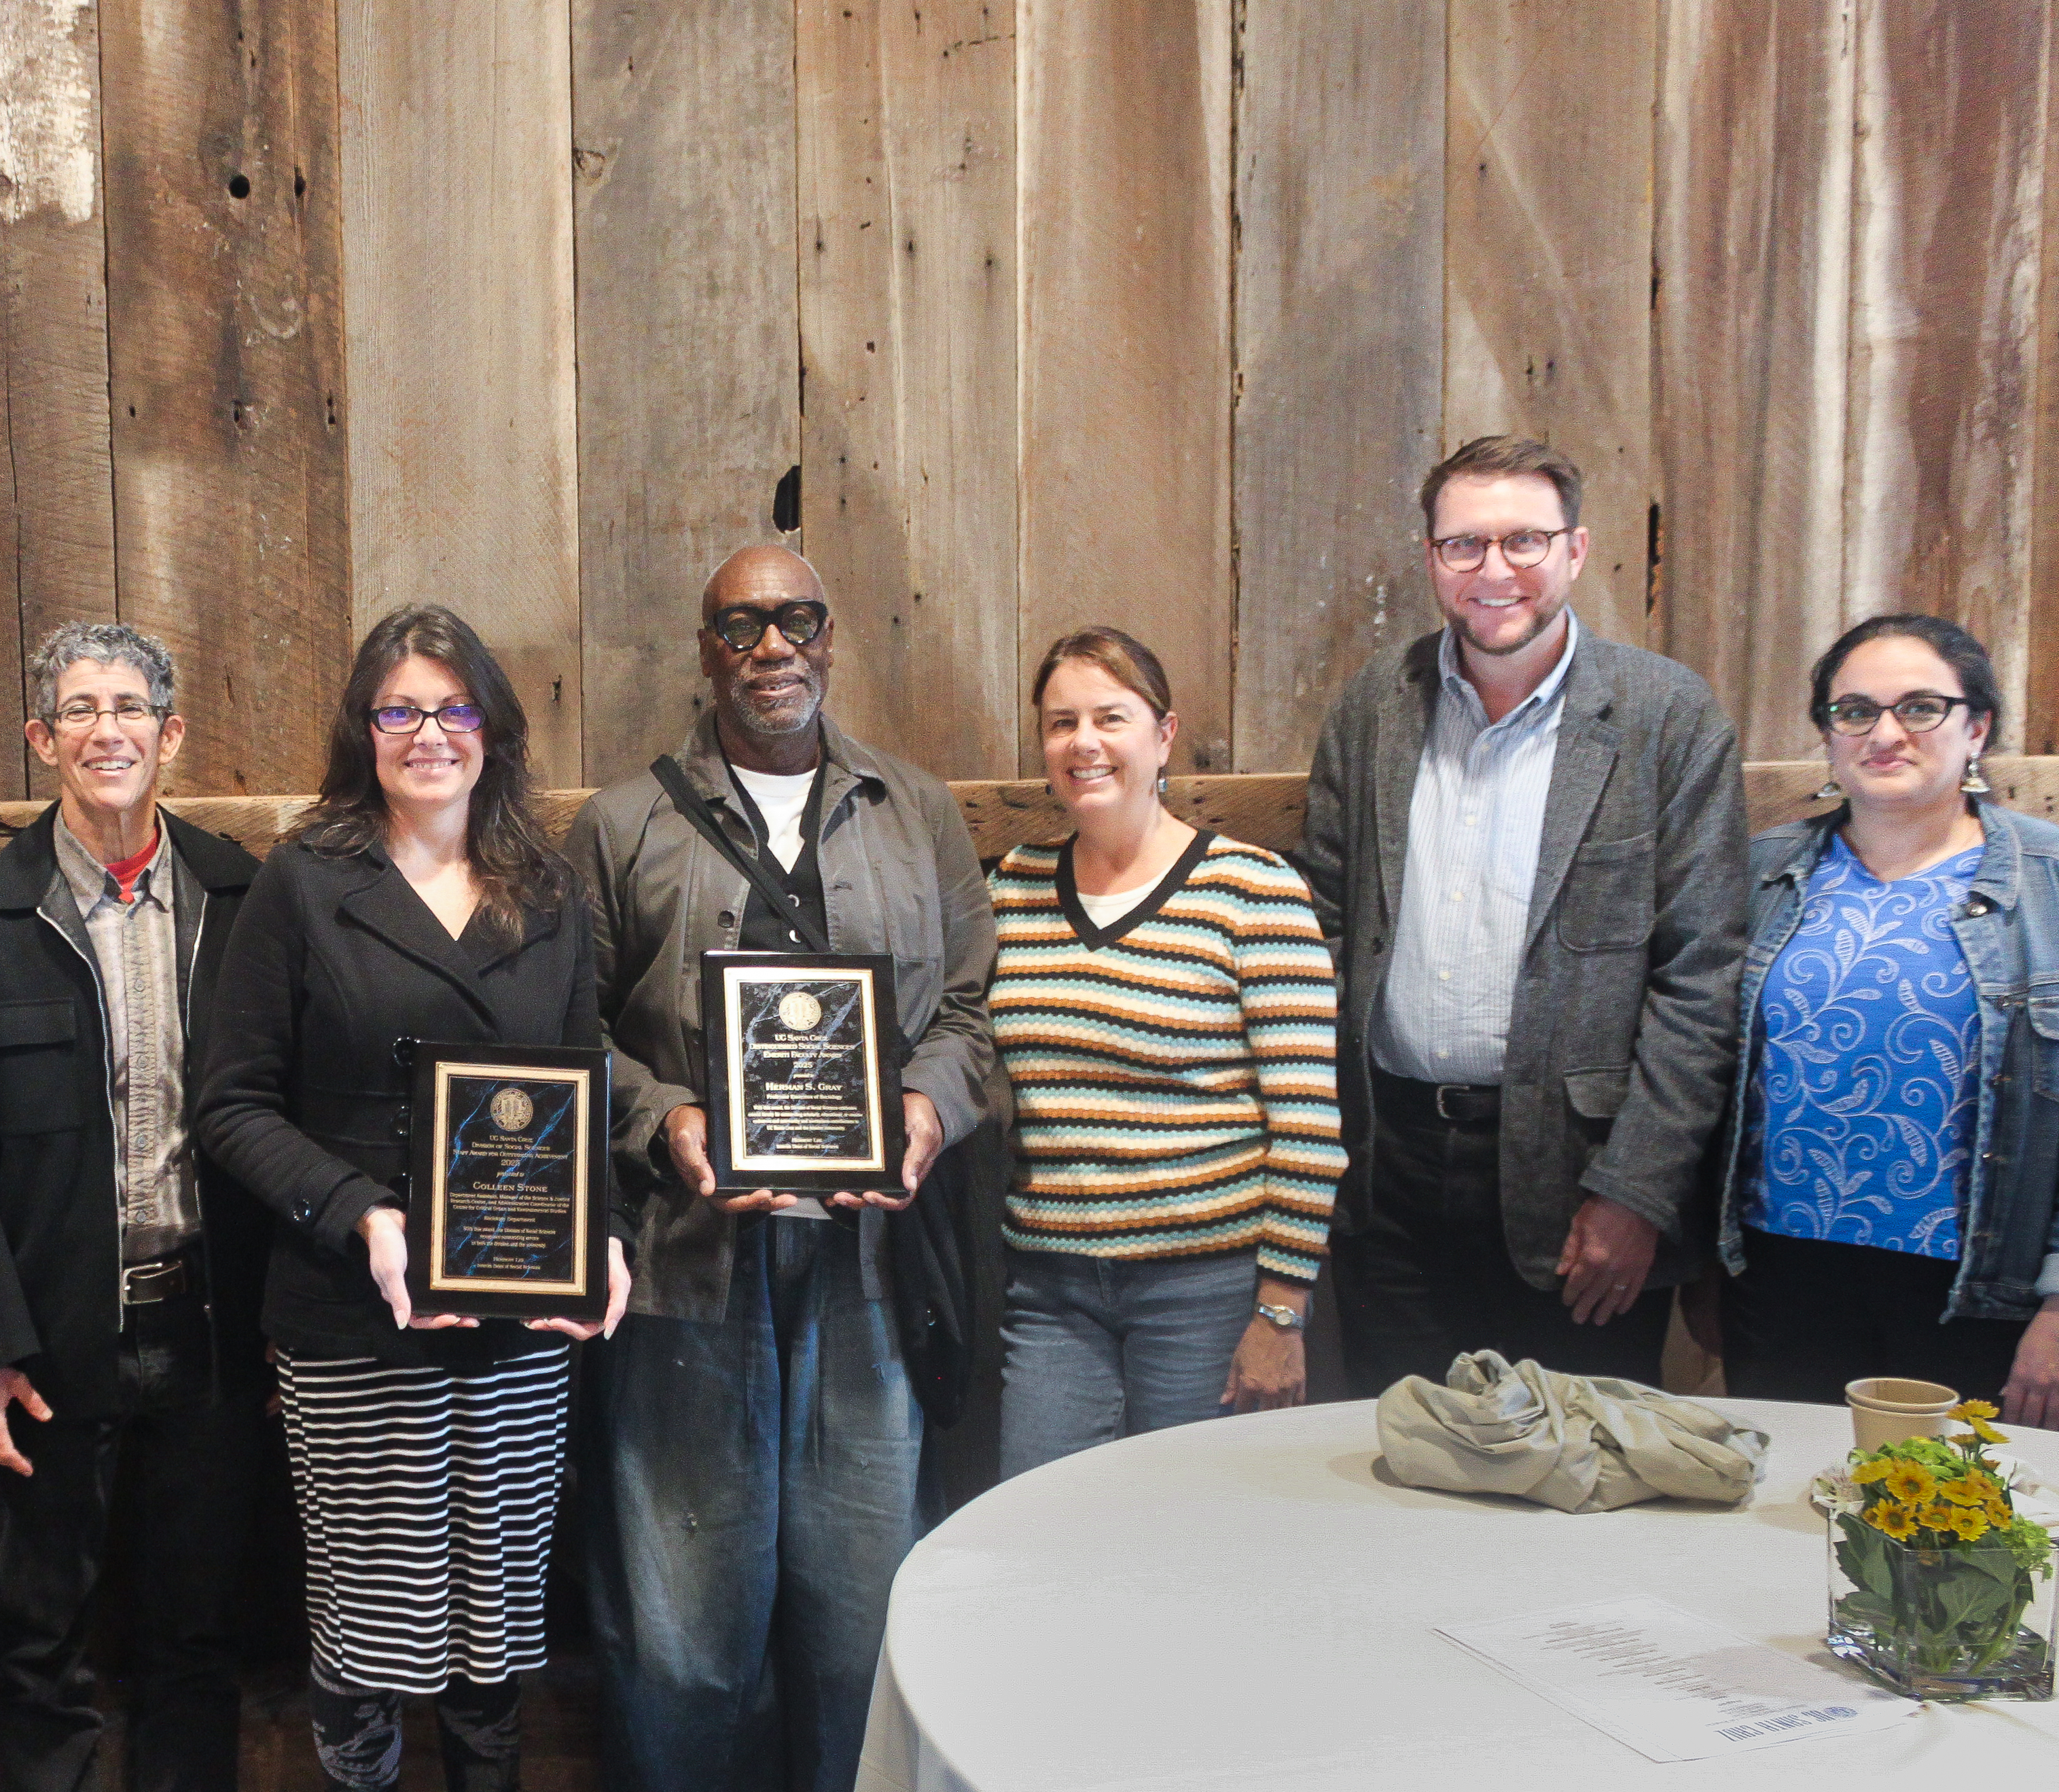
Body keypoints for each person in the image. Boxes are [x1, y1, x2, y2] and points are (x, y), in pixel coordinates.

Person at [562, 545, 995, 1792]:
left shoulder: (917, 810)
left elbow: (973, 1012)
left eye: (796, 618)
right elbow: (572, 1033)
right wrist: (668, 1124)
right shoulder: (622, 821)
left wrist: (924, 1108)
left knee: (864, 1623)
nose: (772, 647)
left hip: (871, 1267)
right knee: (685, 1641)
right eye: (741, 624)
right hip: (686, 1274)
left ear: (829, 633)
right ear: (707, 649)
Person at [194, 605, 630, 1792]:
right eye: (399, 709)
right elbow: (230, 1104)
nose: (428, 732)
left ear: (491, 725)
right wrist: (361, 1216)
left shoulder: (549, 888)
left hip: (516, 1314)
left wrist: (603, 1232)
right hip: (351, 1313)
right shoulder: (305, 878)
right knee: (368, 1631)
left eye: (453, 707)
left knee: (495, 1636)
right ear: (363, 728)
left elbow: (583, 1089)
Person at [0, 621, 272, 1791]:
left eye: (129, 708)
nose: (104, 730)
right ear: (41, 740)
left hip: (209, 1333)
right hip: (46, 1346)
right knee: (40, 1640)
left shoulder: (241, 896)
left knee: (198, 1639)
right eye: (79, 709)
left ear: (170, 735)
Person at [1293, 435, 1747, 1395]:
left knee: (1570, 1480)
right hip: (1391, 1177)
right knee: (1399, 1465)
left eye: (1523, 541)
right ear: (1429, 559)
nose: (1493, 570)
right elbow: (1323, 935)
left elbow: (1699, 978)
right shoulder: (1376, 706)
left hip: (1578, 1182)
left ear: (1575, 550)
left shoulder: (1666, 717)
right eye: (1463, 545)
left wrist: (1635, 1193)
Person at [1704, 615, 2059, 1428]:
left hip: (1984, 1295)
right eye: (1854, 711)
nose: (1884, 733)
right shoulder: (1758, 878)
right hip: (1781, 1281)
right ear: (1827, 733)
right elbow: (1704, 1076)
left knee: (1969, 1539)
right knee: (1789, 1524)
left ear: (1976, 726)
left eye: (1920, 707)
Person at [988, 628, 1341, 1477]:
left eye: (1111, 717)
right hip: (1051, 1289)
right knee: (1039, 1527)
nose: (1084, 742)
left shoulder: (1253, 891)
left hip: (1207, 1289)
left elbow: (1308, 1127)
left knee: (1187, 1534)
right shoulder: (1013, 885)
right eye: (1061, 721)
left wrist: (1281, 1313)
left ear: (1164, 735)